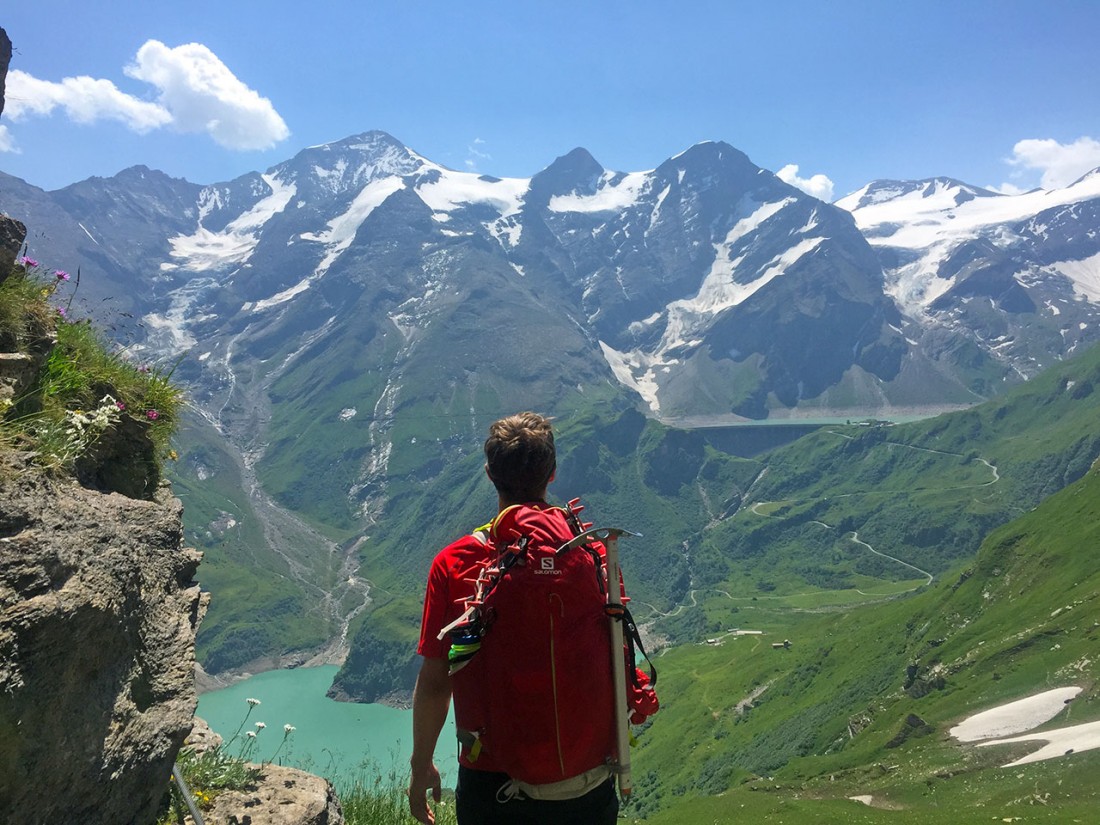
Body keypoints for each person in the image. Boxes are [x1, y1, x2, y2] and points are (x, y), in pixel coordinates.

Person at [408, 411, 620, 825]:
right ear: (553, 474)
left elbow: (436, 682)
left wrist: (422, 766)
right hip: (586, 777)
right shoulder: (591, 555)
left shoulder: (455, 563)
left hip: (492, 782)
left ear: (489, 474)